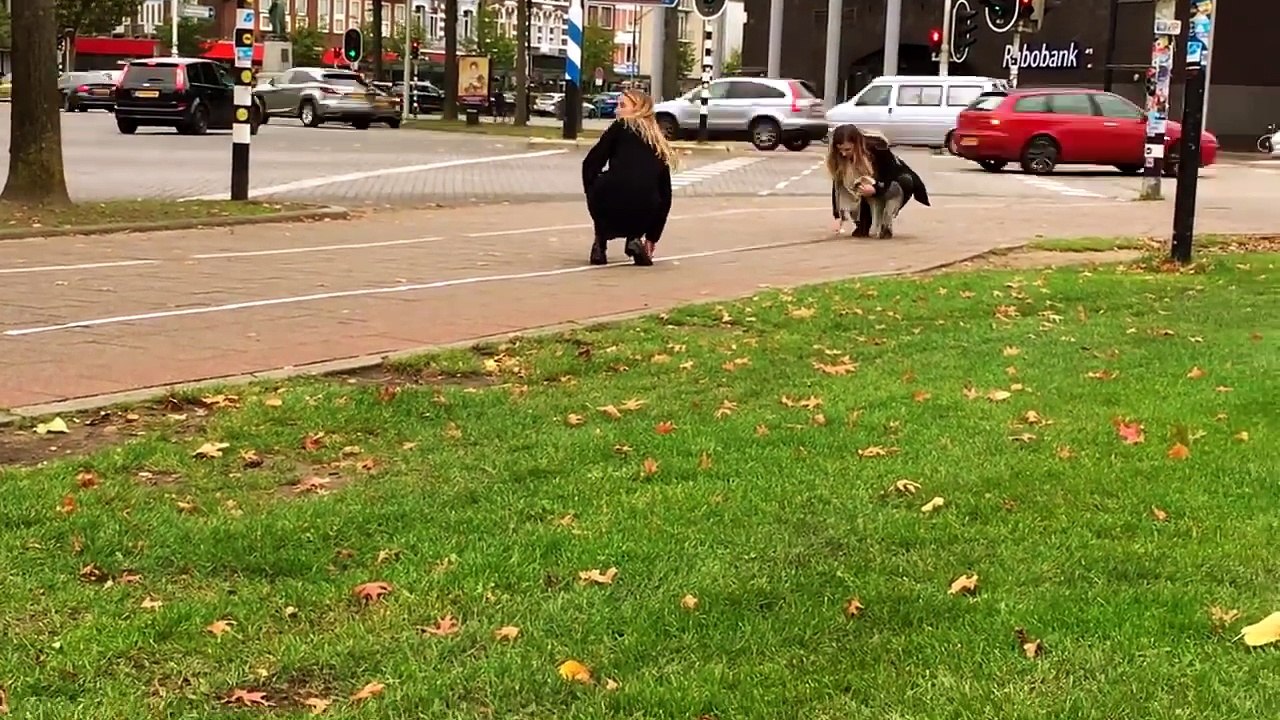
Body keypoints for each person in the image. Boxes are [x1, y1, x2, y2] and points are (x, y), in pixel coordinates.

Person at [580, 89, 676, 266]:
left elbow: (590, 163)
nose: (617, 110)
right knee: (645, 194)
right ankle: (635, 238)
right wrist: (653, 237)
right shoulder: (658, 141)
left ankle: (600, 242)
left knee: (609, 190)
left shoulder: (620, 127)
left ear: (638, 109)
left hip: (611, 199)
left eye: (622, 105)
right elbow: (666, 195)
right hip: (646, 207)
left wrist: (592, 189)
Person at [826, 124, 929, 238]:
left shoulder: (878, 148)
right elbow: (837, 186)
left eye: (847, 149)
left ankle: (887, 217)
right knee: (863, 231)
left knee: (903, 182)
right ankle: (868, 222)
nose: (843, 154)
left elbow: (890, 174)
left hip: (893, 182)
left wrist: (876, 189)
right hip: (868, 188)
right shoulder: (837, 158)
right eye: (840, 150)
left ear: (858, 144)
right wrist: (838, 216)